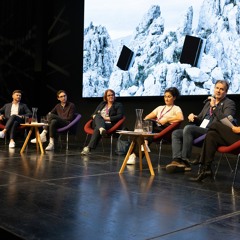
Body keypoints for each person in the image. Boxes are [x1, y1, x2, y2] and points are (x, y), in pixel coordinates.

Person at [166, 80, 236, 173]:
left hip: (213, 133)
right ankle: (177, 160)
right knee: (176, 133)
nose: (218, 91)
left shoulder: (229, 103)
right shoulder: (208, 103)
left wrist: (215, 106)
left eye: (222, 89)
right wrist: (194, 118)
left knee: (188, 128)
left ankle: (185, 161)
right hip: (201, 130)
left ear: (226, 92)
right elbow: (201, 119)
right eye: (217, 88)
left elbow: (225, 121)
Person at [127, 87, 184, 164]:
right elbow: (147, 117)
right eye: (165, 96)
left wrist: (167, 119)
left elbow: (180, 118)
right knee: (147, 123)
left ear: (174, 98)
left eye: (169, 96)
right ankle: (144, 144)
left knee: (145, 130)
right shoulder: (160, 107)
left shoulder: (176, 108)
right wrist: (156, 120)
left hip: (166, 129)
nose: (166, 99)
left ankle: (135, 153)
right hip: (155, 127)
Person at [81, 89, 124, 155]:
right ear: (106, 97)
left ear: (114, 96)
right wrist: (98, 117)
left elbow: (120, 116)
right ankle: (101, 129)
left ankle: (89, 147)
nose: (111, 96)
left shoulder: (118, 105)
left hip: (109, 124)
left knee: (98, 128)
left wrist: (106, 118)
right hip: (97, 122)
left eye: (112, 95)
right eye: (109, 95)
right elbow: (93, 115)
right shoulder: (102, 104)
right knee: (98, 116)